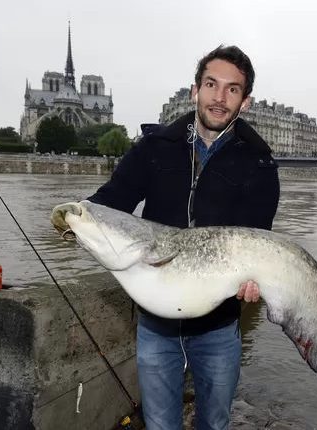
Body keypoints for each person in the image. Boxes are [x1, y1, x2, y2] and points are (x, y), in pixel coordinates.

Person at [86, 45, 279, 429]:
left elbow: (256, 242)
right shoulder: (155, 148)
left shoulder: (260, 164)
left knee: (215, 423)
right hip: (156, 324)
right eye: (211, 84)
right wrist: (78, 216)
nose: (219, 97)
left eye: (232, 89)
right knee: (160, 424)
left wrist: (253, 282)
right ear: (195, 90)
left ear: (245, 101)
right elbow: (111, 202)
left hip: (219, 327)